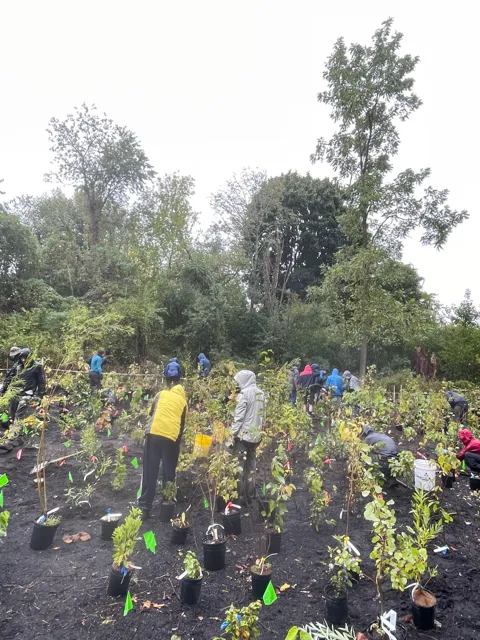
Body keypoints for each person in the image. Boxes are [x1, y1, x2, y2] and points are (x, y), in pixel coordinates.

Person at [138, 373, 187, 520]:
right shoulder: (183, 402)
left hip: (153, 434)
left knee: (149, 471)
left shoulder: (161, 394)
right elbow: (181, 426)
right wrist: (176, 447)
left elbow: (151, 412)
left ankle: (145, 508)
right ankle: (167, 503)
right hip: (171, 438)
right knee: (168, 471)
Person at [231, 370, 265, 506]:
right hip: (256, 436)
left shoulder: (244, 395)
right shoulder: (261, 394)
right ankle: (249, 496)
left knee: (239, 466)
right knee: (251, 466)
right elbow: (263, 415)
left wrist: (232, 434)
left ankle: (238, 496)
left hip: (243, 436)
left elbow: (239, 418)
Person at [2, 348, 46, 425]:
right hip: (16, 393)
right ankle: (15, 428)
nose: (23, 360)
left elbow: (41, 382)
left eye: (25, 358)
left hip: (28, 394)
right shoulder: (17, 366)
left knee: (19, 414)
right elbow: (9, 378)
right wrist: (3, 389)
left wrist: (40, 396)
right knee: (12, 412)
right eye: (22, 358)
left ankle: (16, 432)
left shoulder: (37, 366)